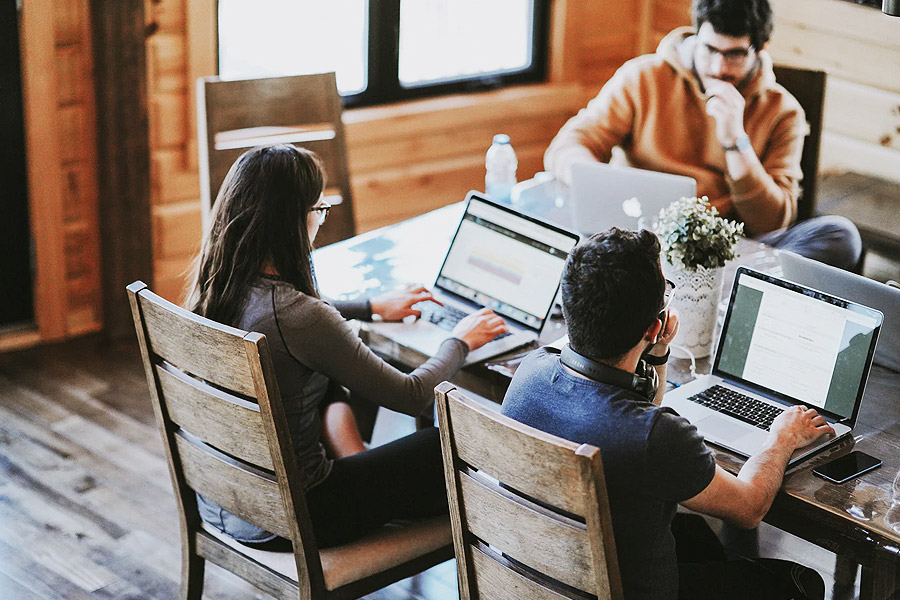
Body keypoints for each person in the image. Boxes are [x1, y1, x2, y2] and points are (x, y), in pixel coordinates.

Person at [186, 144, 508, 549]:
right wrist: (460, 340)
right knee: (439, 444)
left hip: (224, 499)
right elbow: (409, 396)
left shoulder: (218, 284)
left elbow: (296, 320)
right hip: (300, 514)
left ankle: (360, 464)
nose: (321, 221)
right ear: (294, 221)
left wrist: (370, 307)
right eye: (319, 210)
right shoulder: (299, 317)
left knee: (326, 375)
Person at [501, 227, 832, 600]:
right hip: (621, 591)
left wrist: (656, 355)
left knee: (699, 538)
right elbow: (750, 507)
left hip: (540, 577)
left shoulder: (529, 372)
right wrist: (781, 438)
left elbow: (636, 421)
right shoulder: (656, 436)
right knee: (801, 584)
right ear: (654, 327)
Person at [544, 0, 861, 272]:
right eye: (710, 49)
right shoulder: (643, 77)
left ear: (760, 48)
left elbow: (773, 223)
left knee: (840, 235)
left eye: (735, 54)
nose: (719, 67)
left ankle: (714, 289)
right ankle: (706, 290)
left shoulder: (784, 112)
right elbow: (568, 146)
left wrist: (735, 140)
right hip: (640, 237)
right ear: (697, 33)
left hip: (728, 252)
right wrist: (601, 187)